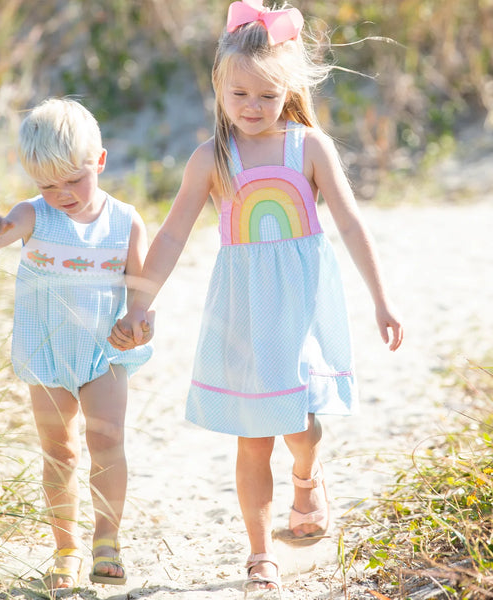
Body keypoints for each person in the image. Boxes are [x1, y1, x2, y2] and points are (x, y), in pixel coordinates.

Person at [109, 0, 403, 597]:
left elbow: (349, 222)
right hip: (243, 314)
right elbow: (170, 235)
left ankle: (306, 476)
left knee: (301, 426)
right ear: (220, 86)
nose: (251, 107)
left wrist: (382, 298)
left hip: (299, 311)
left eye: (266, 96)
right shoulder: (212, 159)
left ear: (288, 91)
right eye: (239, 94)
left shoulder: (309, 148)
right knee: (252, 437)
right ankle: (260, 551)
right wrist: (139, 302)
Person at [0, 98, 153, 592]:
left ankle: (107, 540)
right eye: (47, 185)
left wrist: (139, 324)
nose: (62, 195)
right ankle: (66, 546)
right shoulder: (34, 215)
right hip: (48, 353)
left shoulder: (125, 221)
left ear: (99, 161)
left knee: (107, 442)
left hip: (102, 355)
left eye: (73, 180)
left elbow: (141, 293)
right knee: (59, 452)